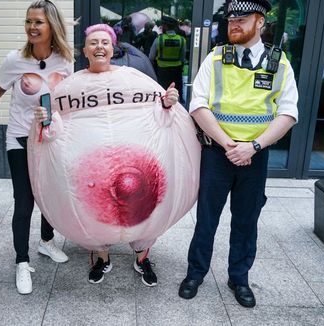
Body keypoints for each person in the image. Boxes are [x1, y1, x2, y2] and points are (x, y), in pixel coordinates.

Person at [34, 23, 180, 287]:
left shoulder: (133, 79)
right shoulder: (71, 86)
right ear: (84, 50)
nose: (99, 47)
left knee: (144, 210)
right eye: (93, 43)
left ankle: (142, 258)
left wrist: (167, 104)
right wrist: (45, 121)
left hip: (133, 165)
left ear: (113, 49)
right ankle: (102, 258)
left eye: (104, 42)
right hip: (91, 169)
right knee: (92, 212)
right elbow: (56, 130)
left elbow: (157, 117)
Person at [177, 0, 298, 308]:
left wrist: (254, 146)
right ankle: (196, 273)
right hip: (218, 154)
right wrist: (228, 144)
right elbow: (198, 104)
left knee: (246, 221)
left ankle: (239, 278)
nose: (234, 23)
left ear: (260, 22)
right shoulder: (216, 58)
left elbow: (288, 113)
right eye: (231, 18)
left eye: (242, 18)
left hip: (255, 158)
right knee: (206, 218)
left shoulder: (279, 63)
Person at [0, 0, 73, 295]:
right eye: (28, 21)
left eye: (38, 22)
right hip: (20, 139)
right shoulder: (14, 60)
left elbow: (71, 102)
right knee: (25, 201)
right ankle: (22, 261)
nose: (31, 27)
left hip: (51, 139)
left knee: (50, 194)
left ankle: (46, 242)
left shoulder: (66, 60)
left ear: (52, 27)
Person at [149, 16, 186, 101]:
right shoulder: (182, 40)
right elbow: (182, 58)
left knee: (162, 93)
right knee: (176, 94)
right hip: (176, 71)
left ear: (165, 26)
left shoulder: (159, 39)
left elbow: (151, 57)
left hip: (162, 71)